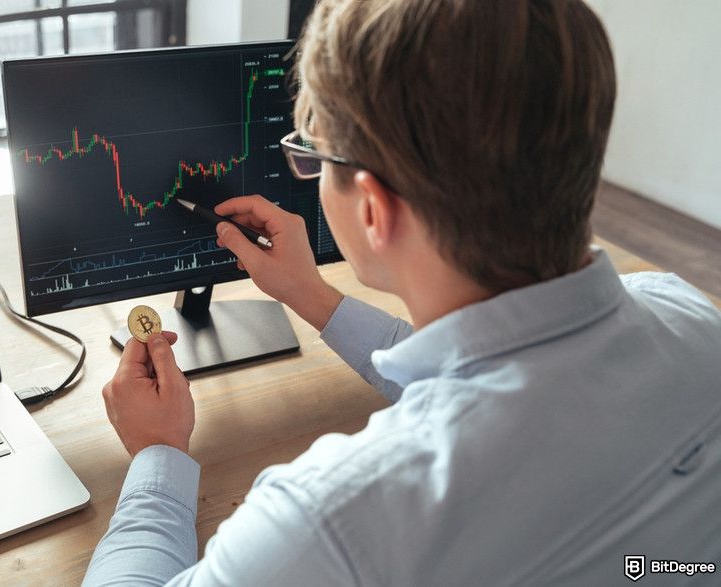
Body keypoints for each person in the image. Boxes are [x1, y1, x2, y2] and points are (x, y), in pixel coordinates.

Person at [84, 0, 721, 584]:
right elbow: (500, 371)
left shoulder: (332, 521)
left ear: (372, 208)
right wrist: (312, 295)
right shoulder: (691, 315)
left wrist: (158, 455)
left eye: (313, 157)